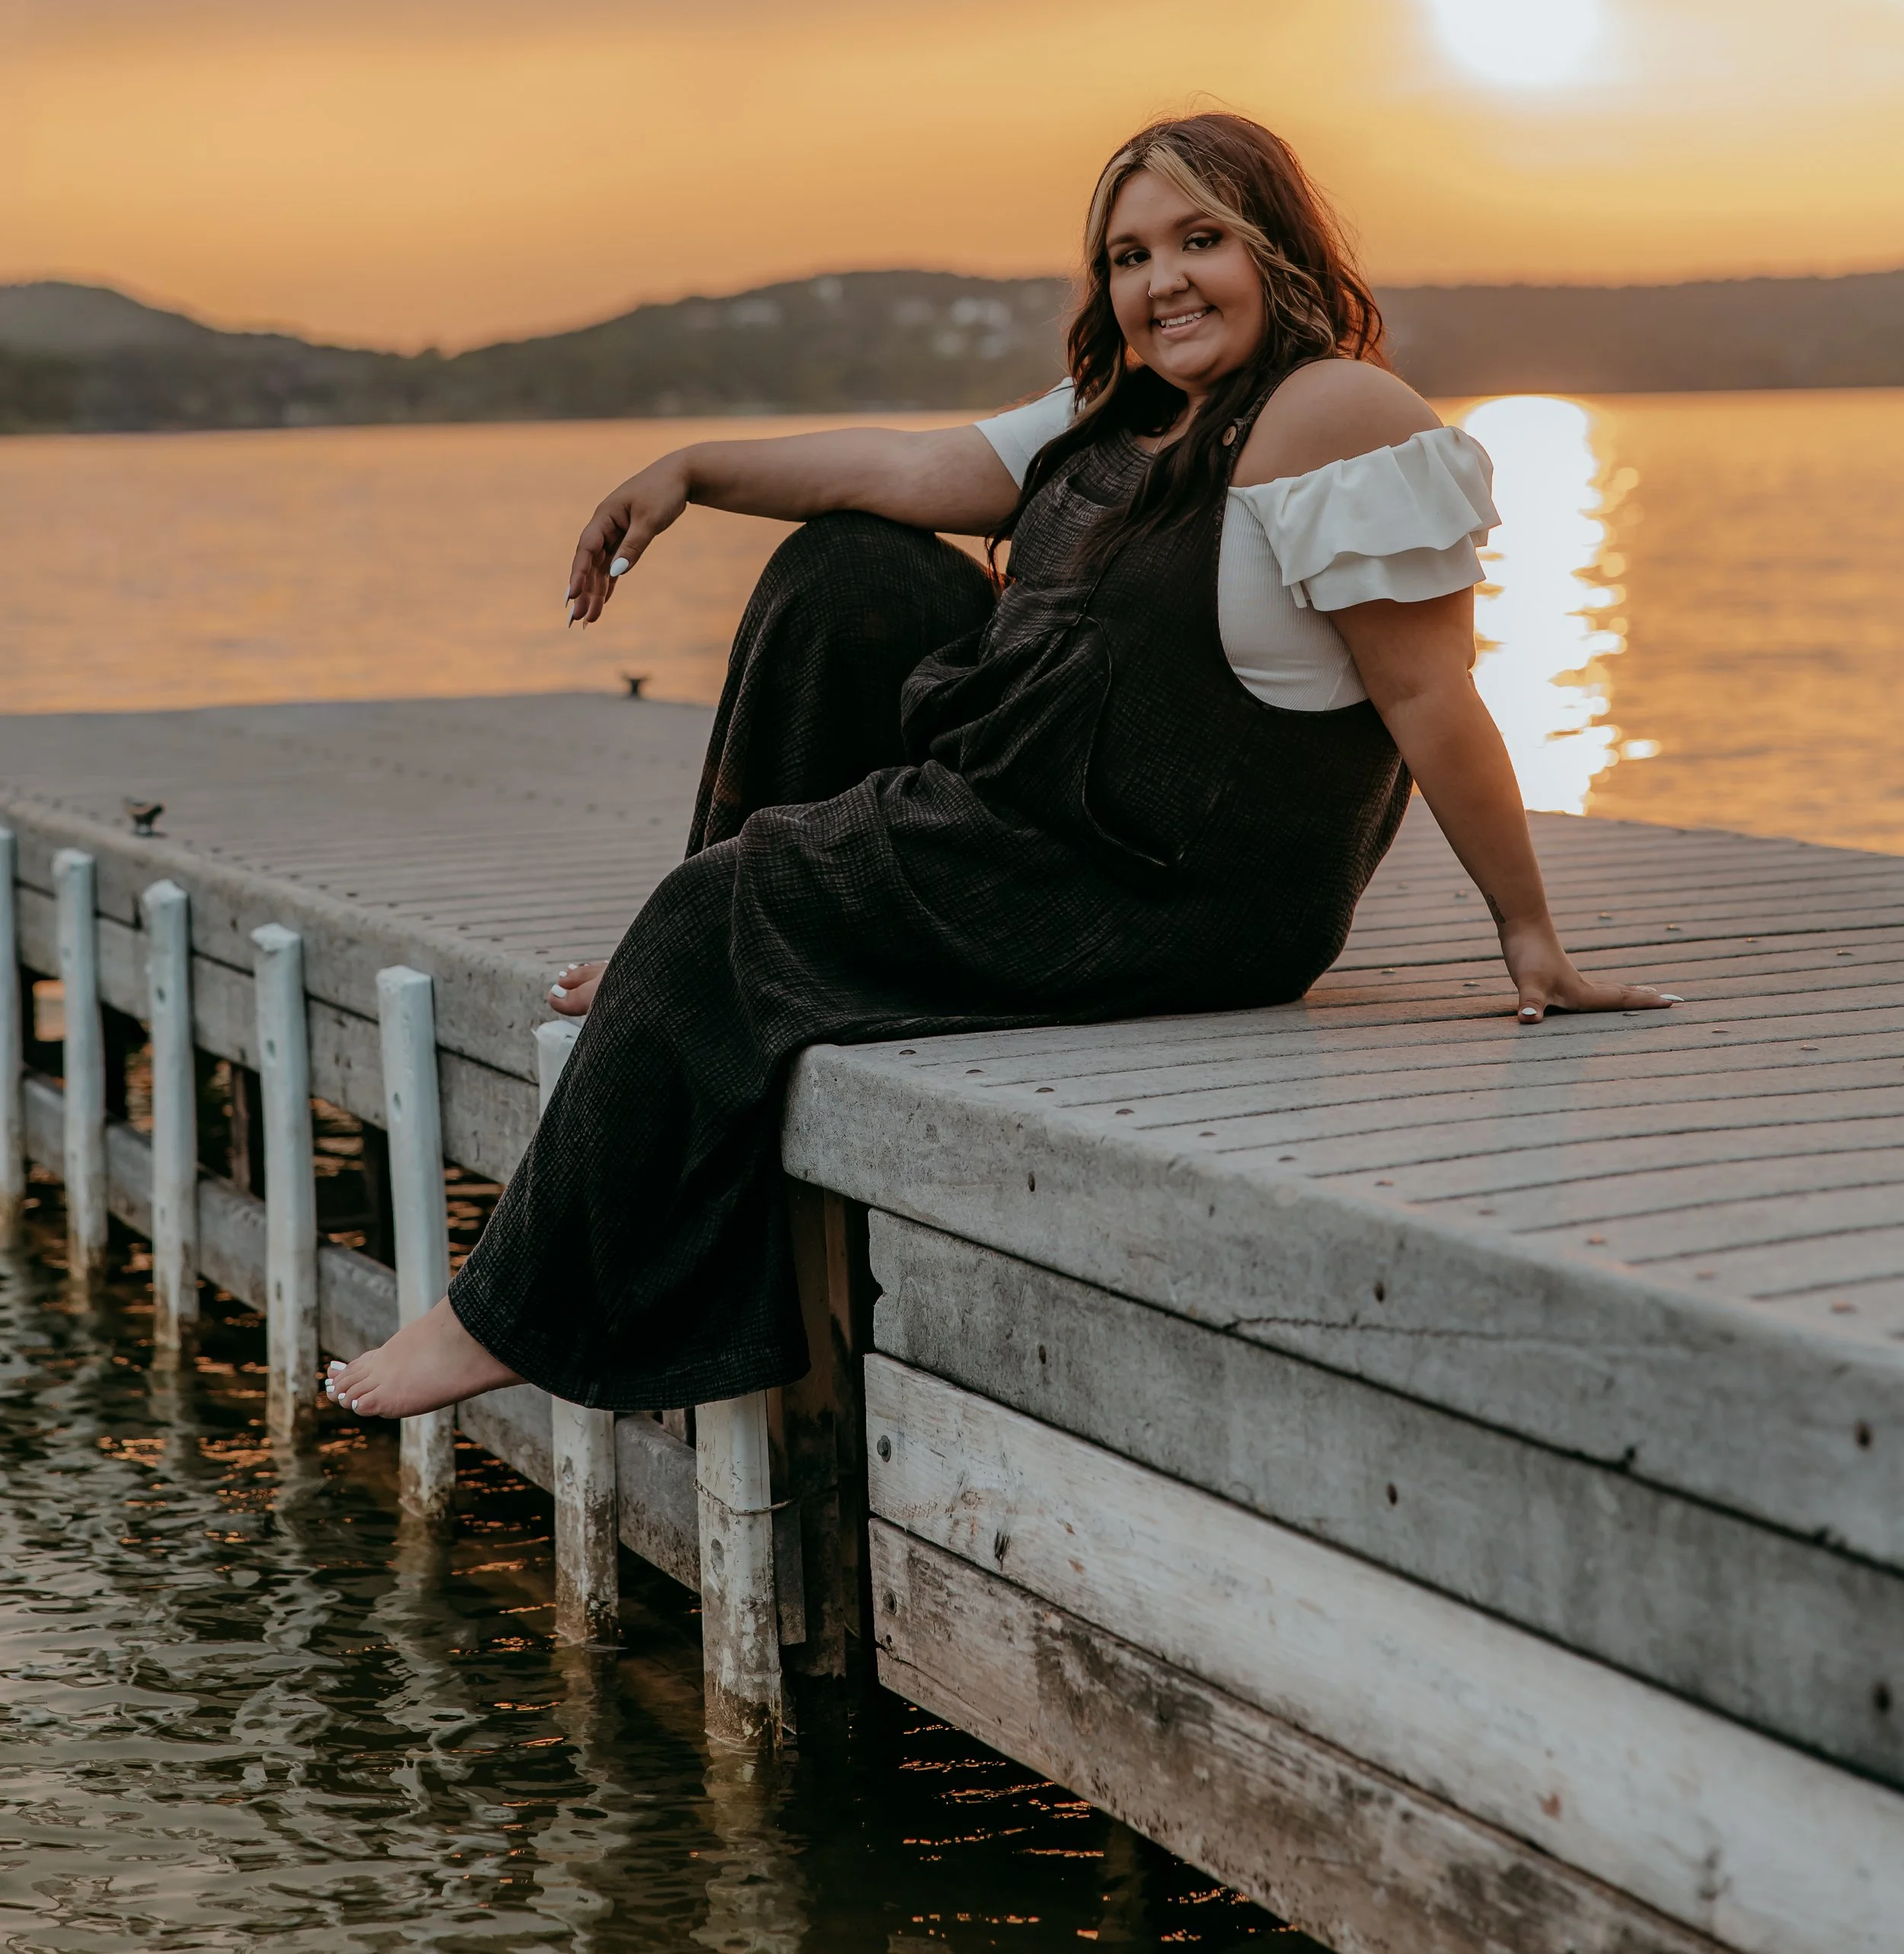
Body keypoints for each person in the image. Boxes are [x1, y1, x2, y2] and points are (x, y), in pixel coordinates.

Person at [326, 113, 1672, 1422]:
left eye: (1198, 238)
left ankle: (505, 1315)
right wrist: (691, 468)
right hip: (1052, 816)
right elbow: (912, 465)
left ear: (1280, 247)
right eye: (1130, 257)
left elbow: (1433, 690)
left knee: (713, 905)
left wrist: (1529, 936)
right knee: (839, 573)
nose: (1161, 282)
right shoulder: (1124, 414)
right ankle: (722, 965)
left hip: (1178, 892)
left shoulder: (1338, 412)